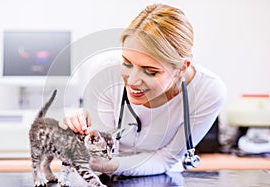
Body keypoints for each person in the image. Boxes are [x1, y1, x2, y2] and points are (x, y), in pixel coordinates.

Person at [59, 4, 226, 176]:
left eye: (150, 71)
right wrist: (79, 137)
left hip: (164, 184)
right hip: (107, 182)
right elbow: (102, 156)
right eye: (127, 63)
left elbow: (166, 159)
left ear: (182, 68)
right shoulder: (104, 73)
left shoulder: (208, 91)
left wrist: (114, 166)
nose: (132, 81)